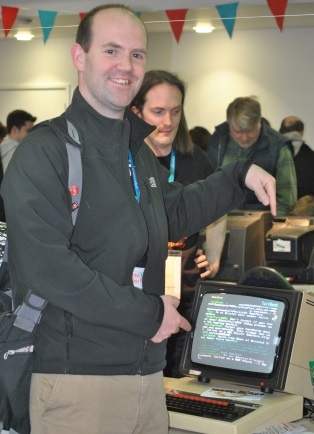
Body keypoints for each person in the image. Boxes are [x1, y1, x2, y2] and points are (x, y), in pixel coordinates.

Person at [1, 5, 276, 434]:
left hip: (146, 375)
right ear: (79, 56)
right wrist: (148, 316)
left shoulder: (135, 153)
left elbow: (174, 210)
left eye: (137, 54)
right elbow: (46, 268)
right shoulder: (44, 152)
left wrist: (239, 175)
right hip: (76, 382)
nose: (126, 66)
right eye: (111, 50)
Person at [130, 69, 227, 377]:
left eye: (175, 112)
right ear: (136, 111)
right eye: (158, 112)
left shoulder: (194, 158)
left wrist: (212, 257)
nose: (168, 122)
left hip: (186, 278)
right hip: (140, 286)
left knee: (181, 364)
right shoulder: (126, 159)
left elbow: (217, 209)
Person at [207, 96, 297, 215]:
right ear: (229, 124)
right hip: (222, 219)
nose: (244, 138)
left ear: (259, 122)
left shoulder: (279, 146)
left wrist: (272, 225)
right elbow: (208, 186)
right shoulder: (217, 141)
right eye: (238, 132)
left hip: (262, 221)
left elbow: (286, 200)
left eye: (250, 131)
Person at [279, 115, 314, 199]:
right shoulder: (311, 156)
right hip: (303, 209)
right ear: (301, 133)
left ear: (280, 131)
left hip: (273, 207)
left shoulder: (270, 151)